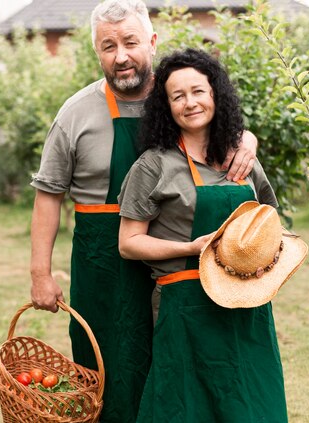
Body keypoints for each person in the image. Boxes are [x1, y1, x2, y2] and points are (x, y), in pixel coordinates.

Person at [29, 1, 257, 421]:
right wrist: (41, 275)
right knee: (104, 367)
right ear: (96, 52)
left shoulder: (178, 98)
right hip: (102, 263)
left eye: (130, 42)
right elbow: (48, 193)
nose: (121, 56)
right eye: (108, 46)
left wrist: (247, 138)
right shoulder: (75, 114)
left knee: (175, 365)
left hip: (176, 259)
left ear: (151, 42)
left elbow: (218, 121)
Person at [118, 48, 288, 421]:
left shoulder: (241, 158)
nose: (190, 103)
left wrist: (264, 257)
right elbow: (129, 243)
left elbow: (270, 221)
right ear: (166, 107)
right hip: (186, 307)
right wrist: (191, 246)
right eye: (177, 96)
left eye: (198, 91)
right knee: (186, 408)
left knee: (251, 401)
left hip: (247, 304)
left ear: (216, 95)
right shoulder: (154, 165)